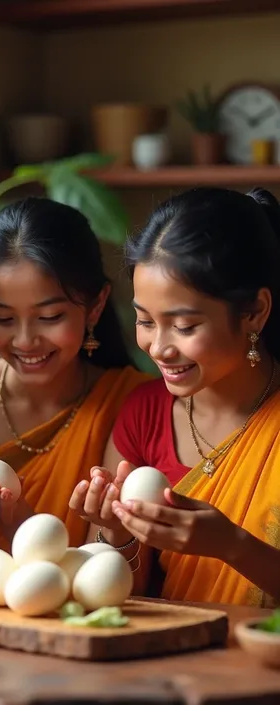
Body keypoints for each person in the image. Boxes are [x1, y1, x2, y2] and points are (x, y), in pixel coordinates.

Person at [70, 186, 280, 607]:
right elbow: (125, 596)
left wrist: (234, 545)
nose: (159, 347)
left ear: (254, 311)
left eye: (184, 326)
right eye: (144, 321)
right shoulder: (143, 415)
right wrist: (116, 531)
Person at [0, 197, 149, 551]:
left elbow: (110, 572)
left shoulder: (133, 404)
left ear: (95, 306)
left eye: (50, 317)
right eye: (3, 318)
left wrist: (12, 517)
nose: (25, 341)